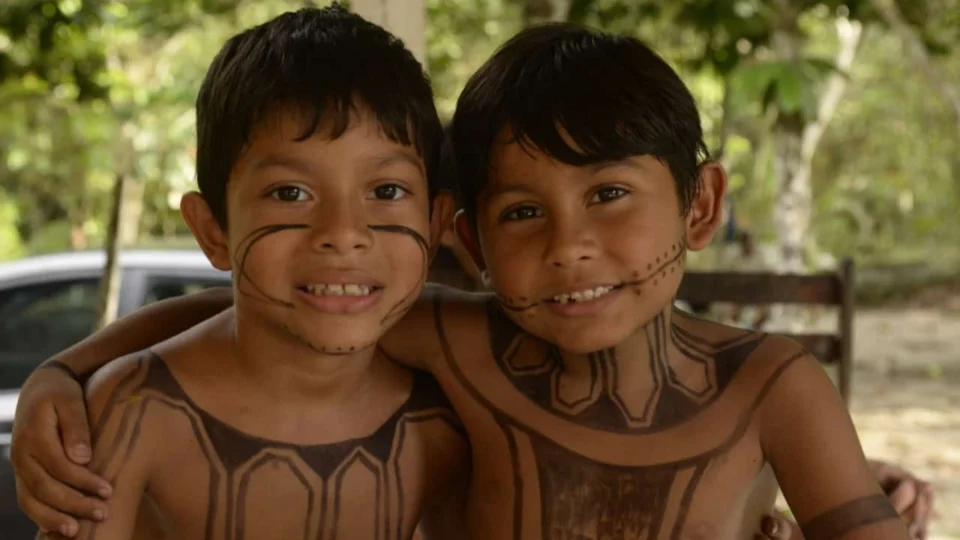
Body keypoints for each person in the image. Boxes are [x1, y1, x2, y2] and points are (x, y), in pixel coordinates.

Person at [13, 22, 934, 540]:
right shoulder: (467, 347)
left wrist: (833, 492)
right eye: (523, 212)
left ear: (700, 205)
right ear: (470, 238)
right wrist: (66, 374)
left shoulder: (774, 389)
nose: (571, 246)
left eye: (610, 193)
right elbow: (267, 310)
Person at [20, 6, 472, 539]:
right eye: (290, 193)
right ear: (214, 231)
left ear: (436, 220)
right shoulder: (134, 412)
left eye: (386, 191)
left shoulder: (443, 424)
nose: (344, 232)